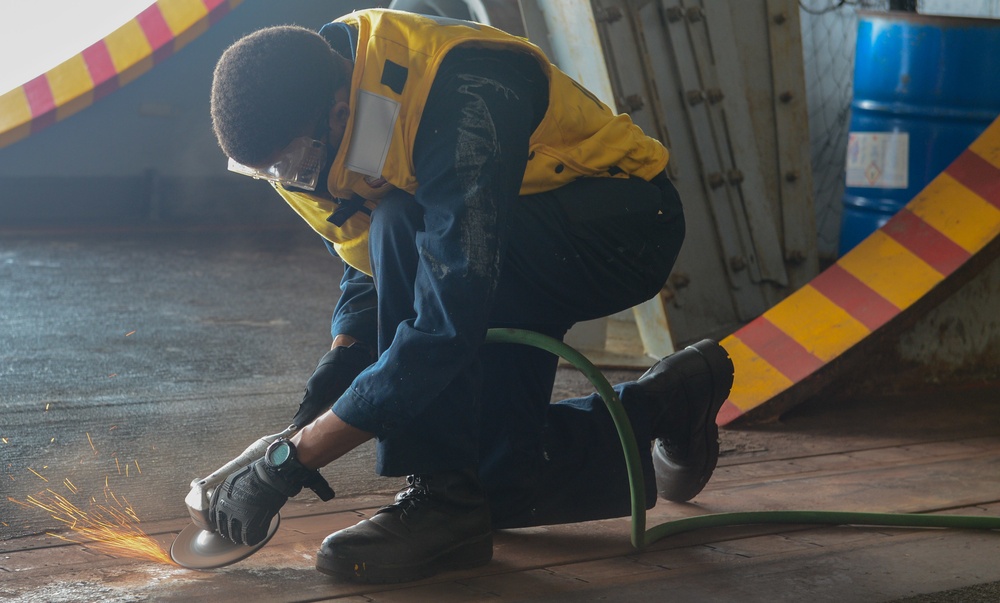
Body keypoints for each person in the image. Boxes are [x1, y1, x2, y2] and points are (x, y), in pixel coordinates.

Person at [206, 8, 734, 584]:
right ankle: (669, 402)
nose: (287, 179)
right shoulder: (312, 129)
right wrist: (295, 428)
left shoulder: (462, 90)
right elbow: (374, 274)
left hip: (620, 225)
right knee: (501, 485)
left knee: (403, 226)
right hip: (500, 241)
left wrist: (298, 459)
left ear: (337, 113)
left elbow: (444, 315)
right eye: (266, 172)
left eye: (289, 162)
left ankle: (441, 503)